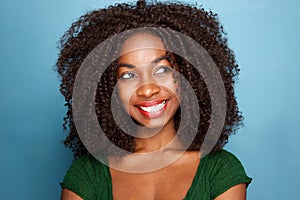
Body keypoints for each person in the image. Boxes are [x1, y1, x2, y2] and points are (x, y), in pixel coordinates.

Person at [56, 1, 252, 199]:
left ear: (189, 78)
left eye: (162, 70)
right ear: (109, 91)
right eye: (128, 75)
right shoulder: (88, 175)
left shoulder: (219, 171)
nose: (148, 89)